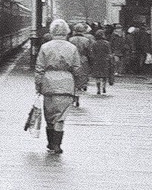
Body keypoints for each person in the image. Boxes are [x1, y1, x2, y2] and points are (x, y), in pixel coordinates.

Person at [34, 19, 86, 154]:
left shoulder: (45, 47)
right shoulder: (72, 48)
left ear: (52, 31)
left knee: (49, 115)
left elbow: (39, 69)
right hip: (66, 84)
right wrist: (79, 84)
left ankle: (50, 143)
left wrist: (38, 85)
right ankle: (57, 145)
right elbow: (77, 68)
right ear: (66, 32)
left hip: (48, 84)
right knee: (60, 117)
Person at [68, 22, 94, 105]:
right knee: (80, 79)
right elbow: (89, 53)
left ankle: (73, 96)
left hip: (72, 60)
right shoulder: (86, 40)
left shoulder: (70, 40)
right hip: (83, 60)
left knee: (72, 79)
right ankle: (78, 95)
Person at [90, 29, 113, 94]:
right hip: (105, 60)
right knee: (104, 76)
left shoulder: (94, 43)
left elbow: (92, 53)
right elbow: (109, 52)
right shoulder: (107, 43)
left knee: (97, 76)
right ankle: (104, 87)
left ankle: (98, 89)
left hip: (96, 61)